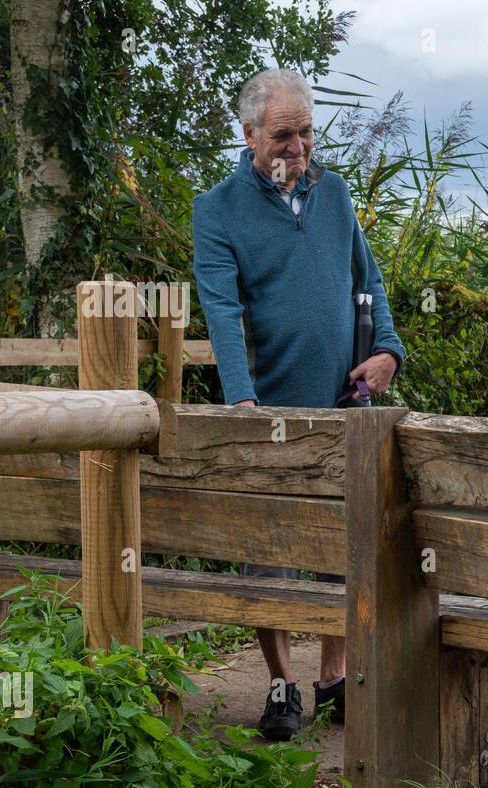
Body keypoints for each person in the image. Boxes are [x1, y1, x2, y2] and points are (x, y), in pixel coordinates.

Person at [192, 68, 406, 740]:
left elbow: (367, 279)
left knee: (340, 548)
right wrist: (243, 400)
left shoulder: (334, 193)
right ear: (249, 133)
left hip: (344, 405)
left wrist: (389, 353)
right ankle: (282, 684)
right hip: (270, 412)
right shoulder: (218, 210)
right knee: (268, 555)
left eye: (307, 132)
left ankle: (333, 679)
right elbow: (223, 310)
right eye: (284, 135)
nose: (299, 148)